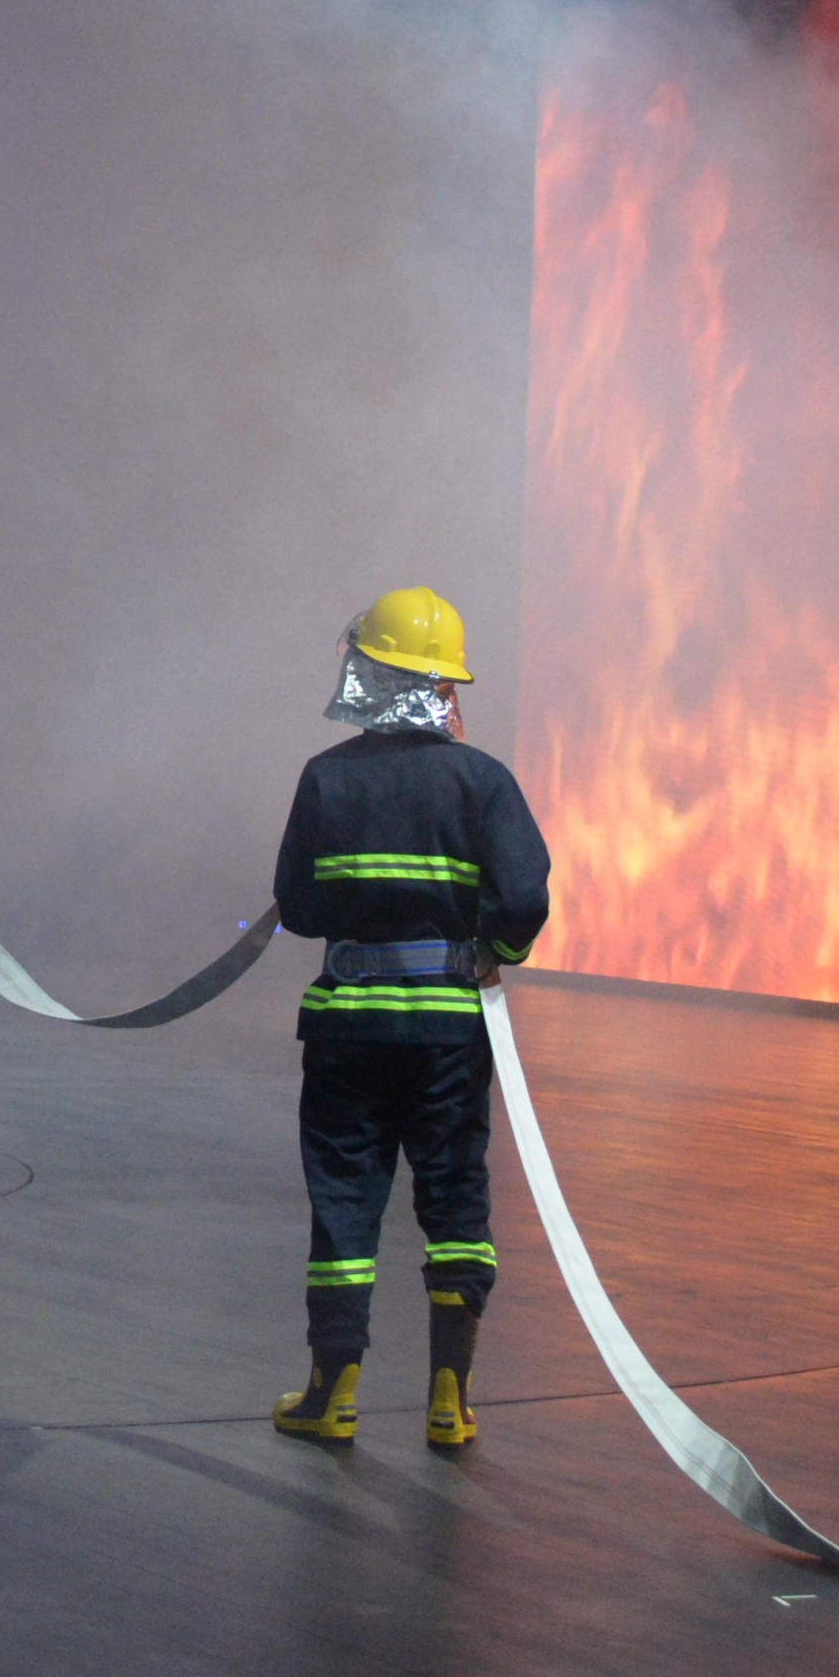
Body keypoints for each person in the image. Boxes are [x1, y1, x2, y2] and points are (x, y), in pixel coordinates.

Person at [267, 587, 549, 1451]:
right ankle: (449, 1401)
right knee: (455, 1197)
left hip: (349, 1031)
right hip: (448, 1039)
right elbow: (524, 897)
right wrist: (494, 944)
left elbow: (300, 908)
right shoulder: (483, 781)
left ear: (368, 675)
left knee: (346, 1206)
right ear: (443, 689)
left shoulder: (325, 778)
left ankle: (332, 1390)